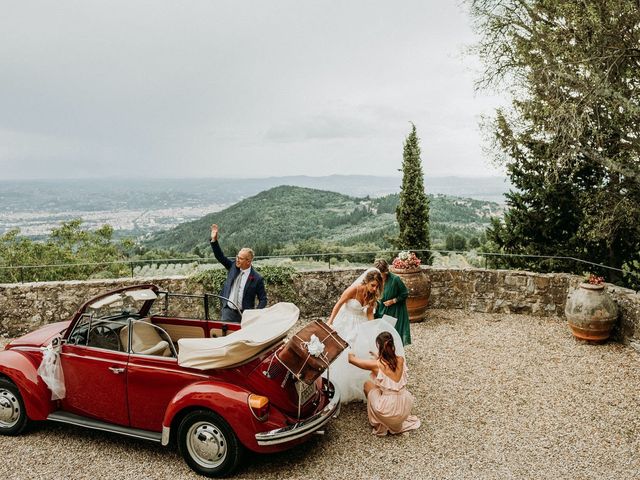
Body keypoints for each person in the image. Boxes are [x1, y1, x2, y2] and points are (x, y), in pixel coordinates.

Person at [326, 268, 405, 404]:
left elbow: (369, 314)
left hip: (360, 323)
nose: (374, 289)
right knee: (343, 353)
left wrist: (372, 329)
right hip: (346, 321)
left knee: (361, 351)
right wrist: (330, 322)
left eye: (377, 286)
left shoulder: (372, 296)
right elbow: (338, 304)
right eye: (372, 285)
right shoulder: (354, 289)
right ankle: (339, 387)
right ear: (366, 282)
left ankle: (358, 388)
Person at [348, 331, 420, 436]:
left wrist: (351, 343)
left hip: (388, 410)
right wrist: (377, 356)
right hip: (404, 406)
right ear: (392, 345)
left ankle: (381, 421)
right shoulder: (400, 360)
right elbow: (389, 363)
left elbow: (351, 359)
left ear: (380, 347)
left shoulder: (376, 365)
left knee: (367, 385)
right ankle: (392, 420)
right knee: (384, 388)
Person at [210, 224, 267, 322]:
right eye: (237, 257)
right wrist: (214, 241)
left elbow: (263, 299)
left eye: (240, 258)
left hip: (245, 315)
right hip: (228, 311)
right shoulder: (232, 266)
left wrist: (255, 314)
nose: (237, 260)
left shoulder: (257, 278)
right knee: (225, 336)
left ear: (248, 261)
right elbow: (220, 256)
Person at [373, 258, 411, 345]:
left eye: (381, 274)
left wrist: (393, 301)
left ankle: (394, 353)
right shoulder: (375, 279)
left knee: (391, 334)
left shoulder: (395, 279)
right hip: (379, 310)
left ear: (386, 271)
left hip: (393, 311)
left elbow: (404, 294)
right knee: (379, 333)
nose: (380, 277)